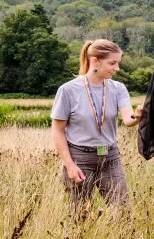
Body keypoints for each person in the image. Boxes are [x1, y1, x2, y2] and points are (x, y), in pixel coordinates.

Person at [52, 39, 141, 215]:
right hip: (80, 158)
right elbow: (58, 130)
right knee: (81, 215)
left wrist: (138, 116)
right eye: (112, 63)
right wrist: (70, 165)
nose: (117, 68)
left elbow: (128, 119)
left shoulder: (118, 88)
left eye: (117, 63)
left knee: (123, 211)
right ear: (95, 61)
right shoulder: (68, 90)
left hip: (110, 157)